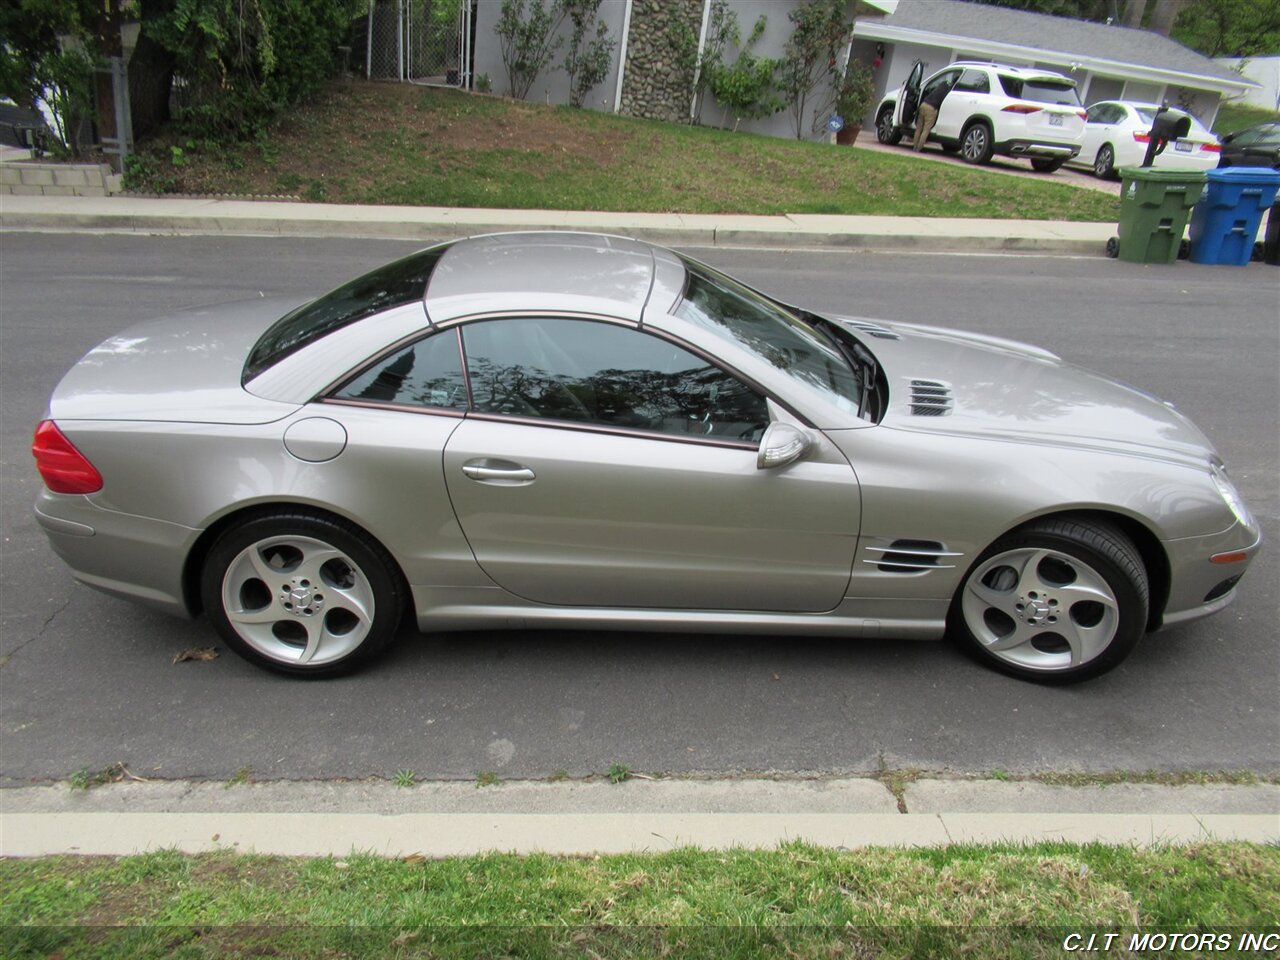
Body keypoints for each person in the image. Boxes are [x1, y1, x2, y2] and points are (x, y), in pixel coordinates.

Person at [913, 77, 953, 152]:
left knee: (918, 128)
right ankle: (919, 148)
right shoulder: (948, 91)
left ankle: (914, 146)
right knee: (926, 129)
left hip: (924, 104)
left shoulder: (940, 86)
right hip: (931, 108)